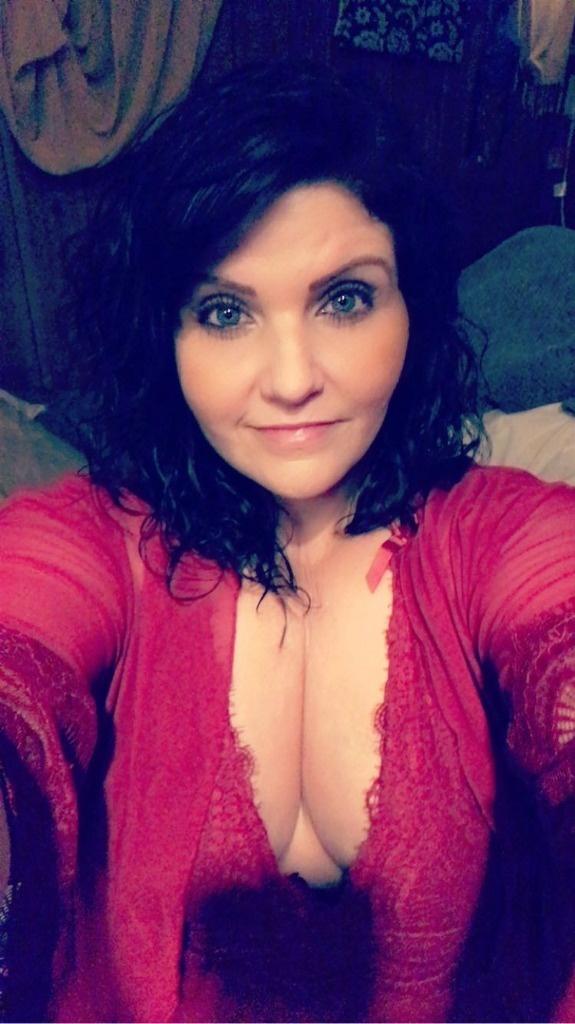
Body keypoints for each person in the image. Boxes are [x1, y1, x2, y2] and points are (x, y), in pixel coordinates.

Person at [0, 61, 574, 1024]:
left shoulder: (501, 532)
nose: (292, 378)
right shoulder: (95, 540)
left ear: (413, 306)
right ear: (165, 336)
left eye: (344, 299)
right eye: (225, 313)